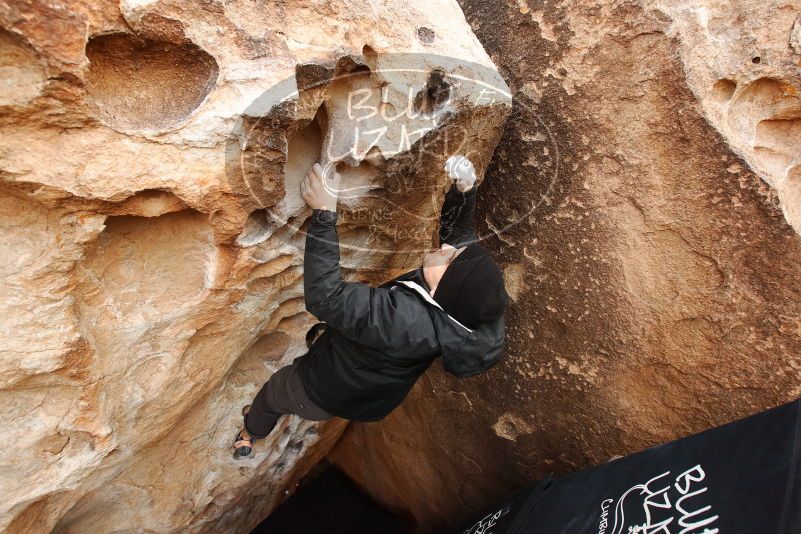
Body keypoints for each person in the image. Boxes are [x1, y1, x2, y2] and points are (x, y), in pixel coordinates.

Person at [233, 156, 508, 459]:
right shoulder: (462, 311)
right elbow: (458, 240)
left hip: (319, 392)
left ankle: (250, 434)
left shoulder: (405, 321)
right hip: (365, 391)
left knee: (274, 394)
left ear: (441, 292)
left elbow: (326, 297)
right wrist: (464, 191)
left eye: (449, 258)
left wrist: (324, 211)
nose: (445, 247)